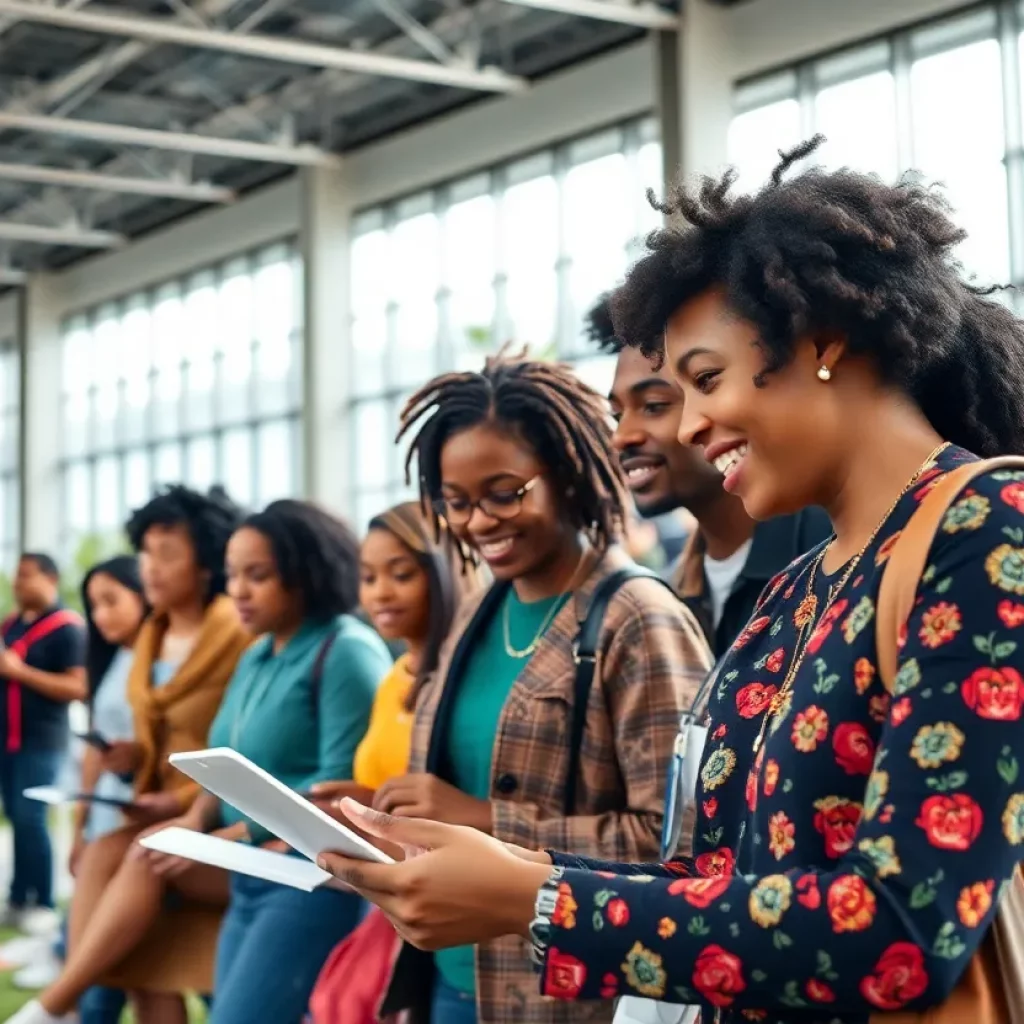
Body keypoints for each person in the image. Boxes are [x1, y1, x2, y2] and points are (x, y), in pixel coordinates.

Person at [316, 137, 1024, 1023]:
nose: (688, 426)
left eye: (705, 380)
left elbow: (901, 934)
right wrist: (505, 869)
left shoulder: (987, 528)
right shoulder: (797, 591)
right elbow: (714, 878)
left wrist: (533, 901)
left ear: (827, 344)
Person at [364, 350, 711, 1024]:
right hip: (449, 974)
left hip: (559, 993)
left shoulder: (636, 618)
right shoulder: (477, 610)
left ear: (569, 474)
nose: (480, 523)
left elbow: (680, 846)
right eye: (456, 503)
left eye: (505, 492)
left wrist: (484, 818)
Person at [142, 498, 391, 1024]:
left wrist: (221, 840)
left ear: (304, 575)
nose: (237, 591)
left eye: (257, 575)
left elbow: (336, 799)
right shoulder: (259, 653)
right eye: (233, 574)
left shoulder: (345, 650)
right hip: (250, 875)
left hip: (308, 880)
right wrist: (191, 822)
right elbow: (227, 763)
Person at [13, 485, 251, 1024]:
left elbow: (240, 741)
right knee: (145, 968)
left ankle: (57, 1001)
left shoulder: (237, 633)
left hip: (212, 818)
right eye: (145, 553)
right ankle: (64, 998)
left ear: (207, 560)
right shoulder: (152, 636)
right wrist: (132, 756)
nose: (152, 568)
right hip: (153, 805)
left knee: (125, 865)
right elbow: (160, 739)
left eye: (168, 553)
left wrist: (182, 802)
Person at [591, 293, 830, 658]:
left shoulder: (829, 555)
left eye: (654, 407)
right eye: (616, 415)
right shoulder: (670, 591)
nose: (622, 437)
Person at [312, 500, 481, 808]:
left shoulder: (472, 681)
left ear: (446, 575)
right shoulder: (395, 678)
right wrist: (364, 801)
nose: (380, 593)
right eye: (368, 578)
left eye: (402, 575)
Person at [63, 556, 149, 1024]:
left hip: (140, 816)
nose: (100, 615)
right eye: (93, 605)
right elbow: (94, 754)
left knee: (119, 968)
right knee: (111, 968)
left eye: (111, 601)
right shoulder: (113, 659)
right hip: (105, 818)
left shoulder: (159, 659)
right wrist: (78, 829)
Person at [0, 553, 86, 933]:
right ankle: (18, 897)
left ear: (50, 579)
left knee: (32, 817)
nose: (18, 583)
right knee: (16, 818)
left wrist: (21, 672)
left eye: (26, 576)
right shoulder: (10, 627)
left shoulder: (67, 629)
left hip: (42, 740)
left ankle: (44, 901)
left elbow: (77, 686)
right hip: (8, 741)